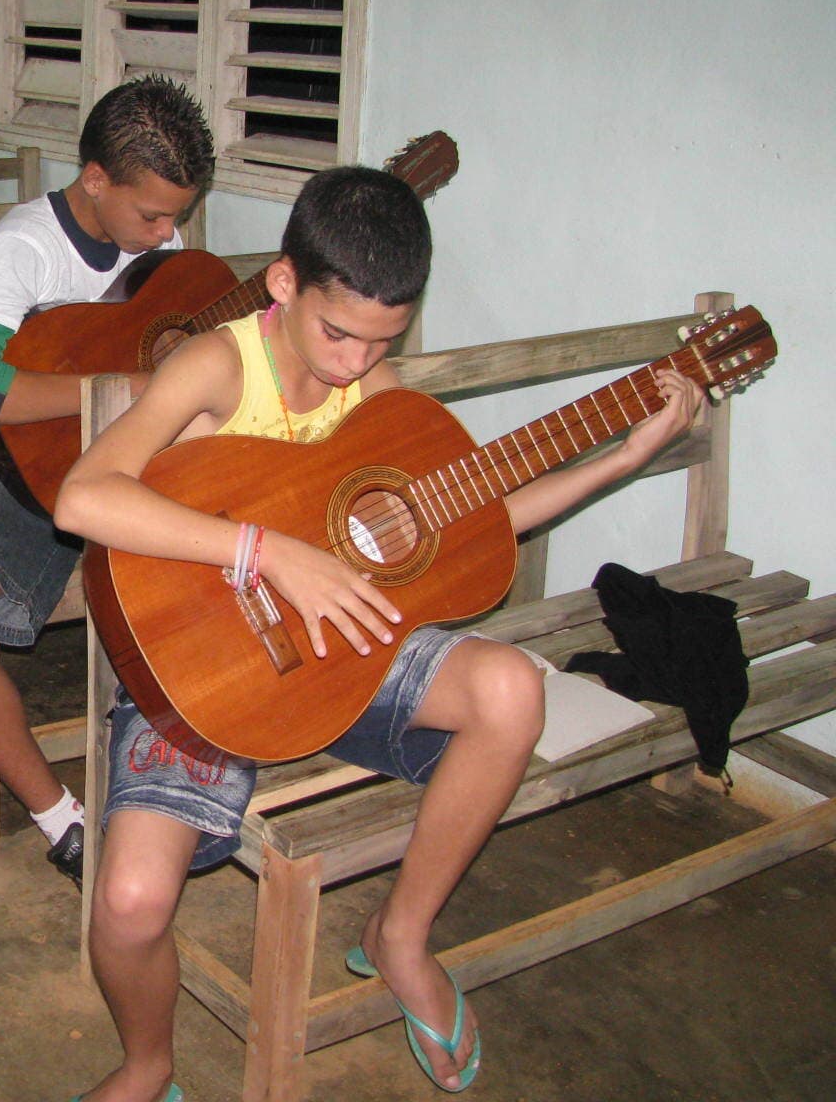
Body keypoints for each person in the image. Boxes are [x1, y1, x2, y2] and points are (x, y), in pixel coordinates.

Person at [53, 165, 704, 1098]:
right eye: (339, 334)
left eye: (383, 342)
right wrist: (267, 551)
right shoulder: (217, 366)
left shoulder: (376, 390)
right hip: (205, 663)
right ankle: (149, 1064)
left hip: (348, 658)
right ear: (285, 283)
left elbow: (484, 513)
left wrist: (625, 456)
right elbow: (85, 496)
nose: (358, 363)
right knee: (127, 902)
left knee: (511, 688)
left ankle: (399, 936)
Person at [0, 75, 214, 880]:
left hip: (133, 471)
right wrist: (122, 392)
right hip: (16, 474)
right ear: (97, 179)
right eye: (152, 213)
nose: (166, 230)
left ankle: (197, 782)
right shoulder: (25, 246)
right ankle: (59, 816)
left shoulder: (159, 252)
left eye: (177, 214)